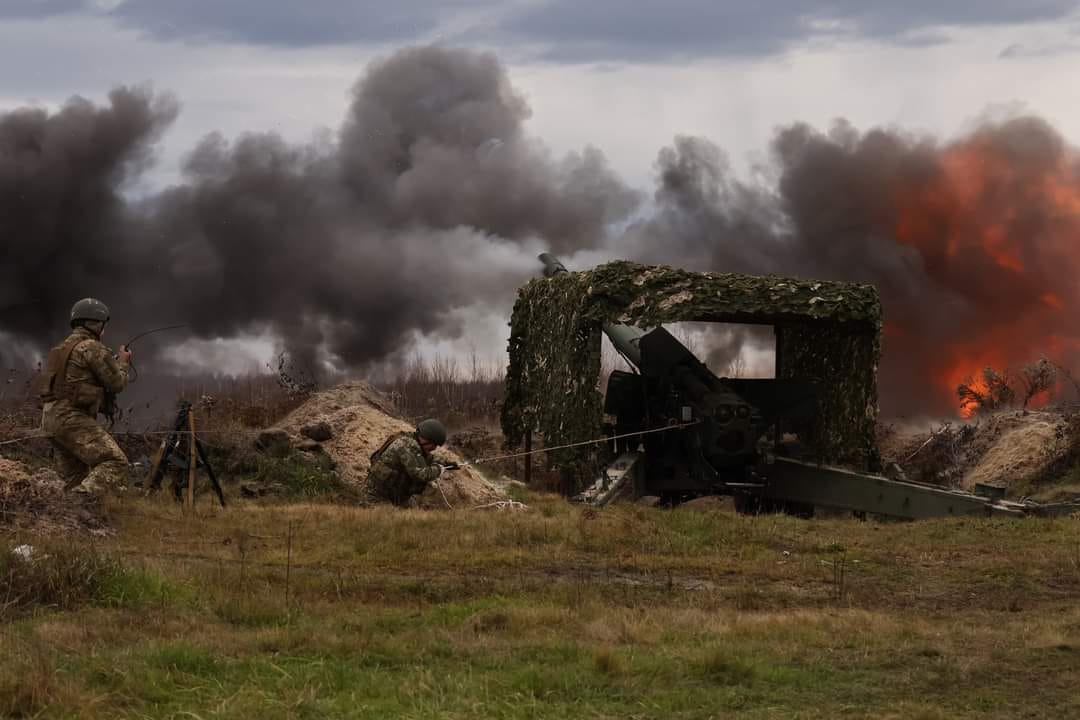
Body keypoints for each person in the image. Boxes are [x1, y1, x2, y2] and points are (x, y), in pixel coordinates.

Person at [38, 298, 132, 493]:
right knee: (115, 461)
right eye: (103, 324)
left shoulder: (60, 348)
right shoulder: (92, 347)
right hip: (71, 417)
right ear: (96, 323)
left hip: (50, 419)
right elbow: (116, 384)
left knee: (75, 476)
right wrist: (123, 363)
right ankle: (81, 500)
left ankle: (71, 518)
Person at [367, 418, 457, 506]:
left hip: (396, 495)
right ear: (427, 440)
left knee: (414, 514)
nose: (433, 448)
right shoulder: (407, 445)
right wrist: (439, 469)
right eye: (433, 445)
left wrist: (445, 463)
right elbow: (421, 474)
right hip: (378, 496)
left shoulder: (413, 441)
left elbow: (427, 458)